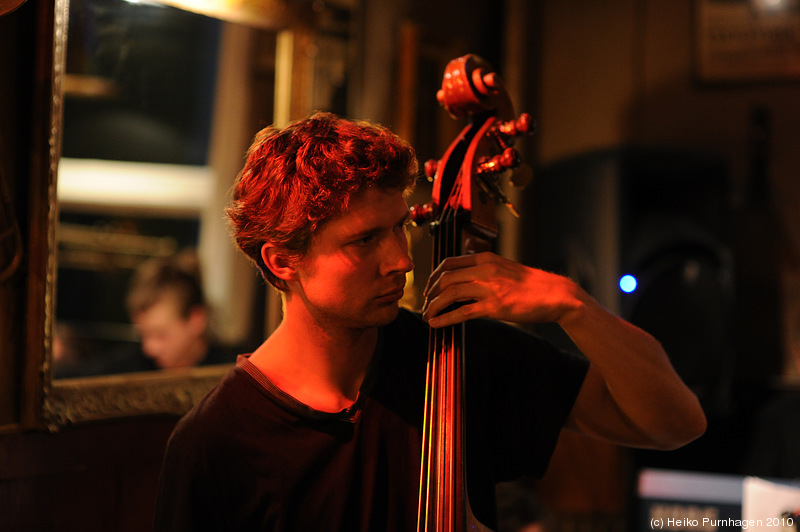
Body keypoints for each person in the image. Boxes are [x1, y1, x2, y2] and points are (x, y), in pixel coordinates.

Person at [153, 112, 706, 531]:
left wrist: (572, 305)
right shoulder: (214, 443)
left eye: (399, 228)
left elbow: (674, 423)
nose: (401, 259)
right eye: (364, 240)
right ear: (282, 261)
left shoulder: (459, 358)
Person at [105, 249, 234, 372]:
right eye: (143, 335)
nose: (149, 349)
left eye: (161, 334)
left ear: (196, 320)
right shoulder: (128, 366)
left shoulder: (233, 375)